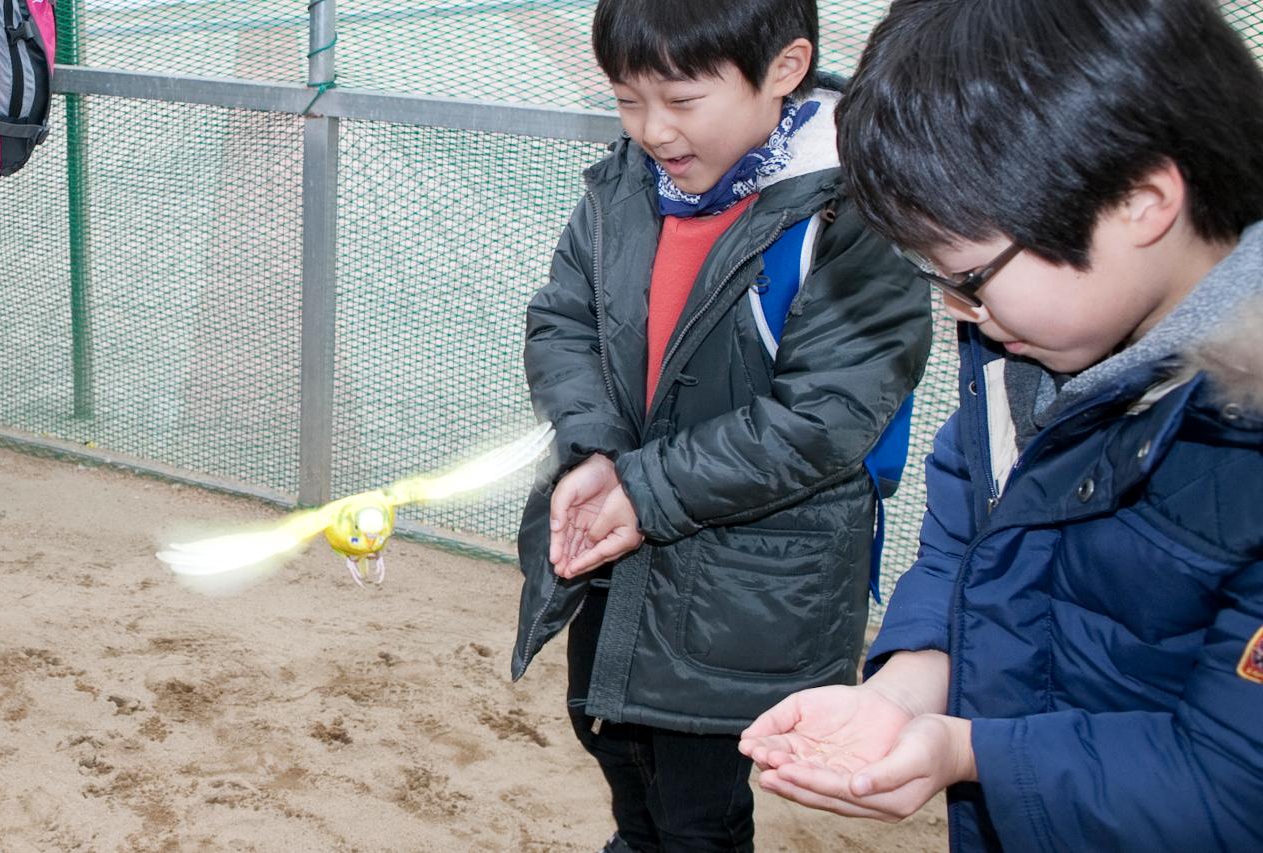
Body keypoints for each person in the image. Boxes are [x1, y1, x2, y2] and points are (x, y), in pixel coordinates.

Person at [738, 0, 1263, 850]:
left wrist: (967, 748)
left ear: (1142, 200)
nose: (961, 311)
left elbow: (1237, 787)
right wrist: (902, 692)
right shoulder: (1029, 355)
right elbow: (967, 549)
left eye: (971, 275)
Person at [508, 1, 932, 849]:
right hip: (613, 554)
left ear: (784, 68)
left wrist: (642, 486)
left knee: (700, 807)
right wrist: (595, 450)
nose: (653, 129)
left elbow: (825, 419)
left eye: (681, 99)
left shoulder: (852, 214)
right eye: (628, 100)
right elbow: (563, 321)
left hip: (752, 587)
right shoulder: (624, 187)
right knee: (618, 749)